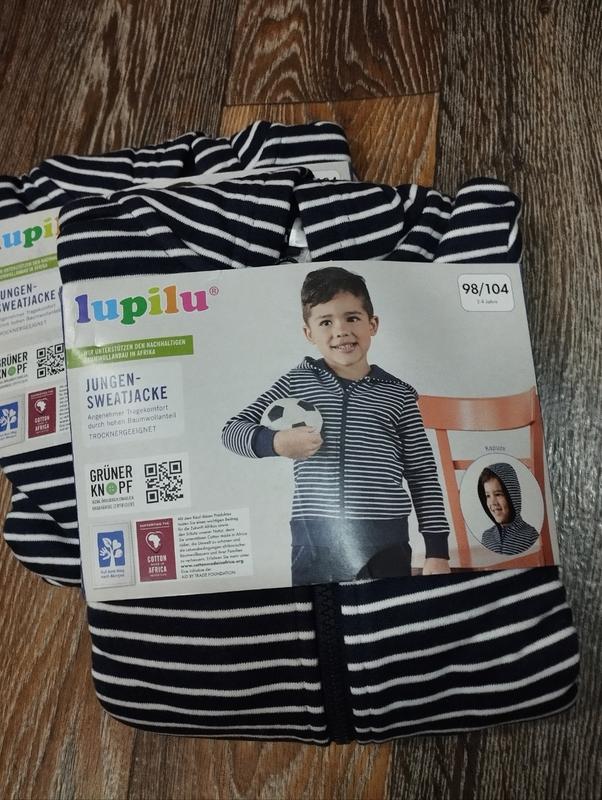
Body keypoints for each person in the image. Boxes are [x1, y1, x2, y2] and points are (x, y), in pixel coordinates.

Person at [222, 266, 451, 584]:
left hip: (387, 545)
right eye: (326, 322)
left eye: (352, 318)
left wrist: (437, 551)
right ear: (309, 333)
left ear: (372, 324)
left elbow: (422, 473)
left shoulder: (398, 395)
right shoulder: (296, 382)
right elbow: (232, 430)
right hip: (314, 544)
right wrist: (276, 442)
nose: (341, 331)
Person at [477, 463, 539, 555]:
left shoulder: (531, 536)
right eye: (488, 496)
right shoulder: (486, 537)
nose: (493, 502)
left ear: (513, 496)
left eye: (498, 494)